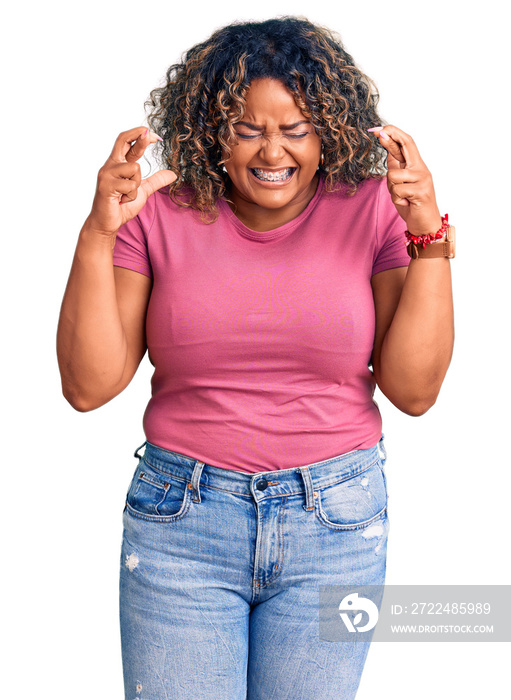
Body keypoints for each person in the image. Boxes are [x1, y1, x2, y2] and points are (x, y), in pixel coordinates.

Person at [57, 16, 454, 700]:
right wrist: (98, 236)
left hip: (335, 524)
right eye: (247, 128)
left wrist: (428, 237)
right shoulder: (157, 214)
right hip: (181, 522)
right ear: (212, 130)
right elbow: (89, 386)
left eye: (295, 128)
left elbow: (413, 392)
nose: (272, 152)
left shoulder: (371, 209)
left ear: (328, 130)